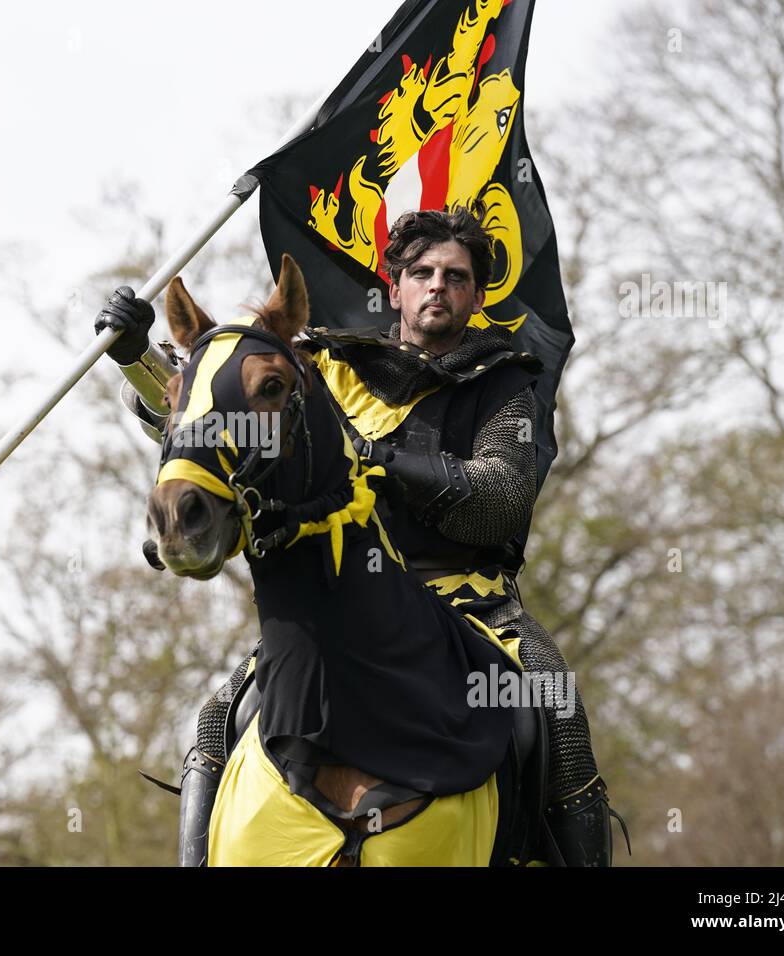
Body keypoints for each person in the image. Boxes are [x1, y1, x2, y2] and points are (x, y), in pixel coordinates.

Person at [95, 205, 627, 866]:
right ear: (395, 286)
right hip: (340, 599)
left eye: (456, 277)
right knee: (217, 719)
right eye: (424, 272)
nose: (439, 286)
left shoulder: (504, 386)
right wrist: (133, 356)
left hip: (472, 605)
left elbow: (501, 497)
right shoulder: (328, 365)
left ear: (477, 295)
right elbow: (216, 429)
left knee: (555, 708)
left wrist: (378, 457)